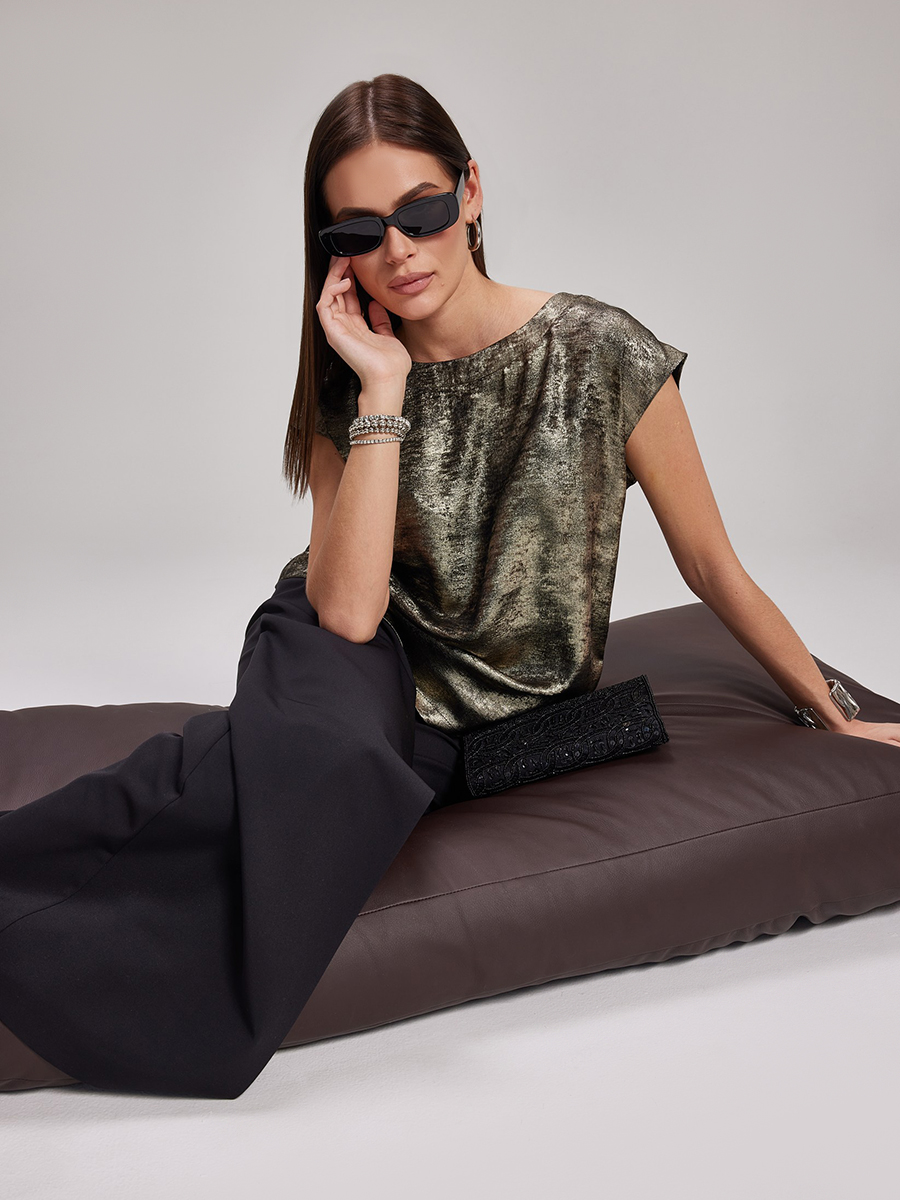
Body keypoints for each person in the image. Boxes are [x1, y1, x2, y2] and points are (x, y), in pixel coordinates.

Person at [3, 73, 899, 1104]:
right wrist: (381, 387)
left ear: (470, 191)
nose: (398, 251)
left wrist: (832, 711)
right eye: (360, 232)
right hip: (350, 652)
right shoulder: (352, 373)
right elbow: (346, 613)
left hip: (490, 707)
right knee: (291, 766)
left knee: (235, 780)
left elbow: (712, 567)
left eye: (421, 212)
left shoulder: (603, 352)